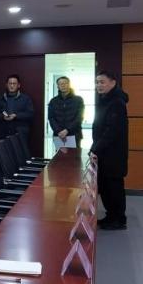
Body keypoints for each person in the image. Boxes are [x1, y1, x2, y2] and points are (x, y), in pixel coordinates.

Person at [90, 71, 129, 230]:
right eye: (97, 82)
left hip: (113, 154)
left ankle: (119, 220)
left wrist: (96, 149)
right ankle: (111, 215)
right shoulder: (105, 99)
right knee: (105, 186)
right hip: (104, 152)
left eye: (102, 82)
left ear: (113, 83)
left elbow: (111, 131)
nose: (99, 85)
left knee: (114, 187)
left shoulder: (117, 102)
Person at [0, 74, 35, 142]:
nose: (12, 86)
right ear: (6, 85)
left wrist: (16, 115)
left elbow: (30, 114)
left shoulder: (26, 99)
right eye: (10, 83)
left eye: (14, 83)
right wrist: (2, 117)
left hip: (20, 133)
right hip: (3, 133)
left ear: (18, 85)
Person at [48, 76, 85, 148]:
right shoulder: (53, 101)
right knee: (60, 154)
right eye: (60, 84)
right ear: (58, 86)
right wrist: (58, 131)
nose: (63, 85)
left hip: (74, 134)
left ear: (69, 84)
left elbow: (79, 117)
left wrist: (67, 130)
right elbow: (51, 118)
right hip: (58, 135)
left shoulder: (78, 100)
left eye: (65, 83)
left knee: (74, 154)